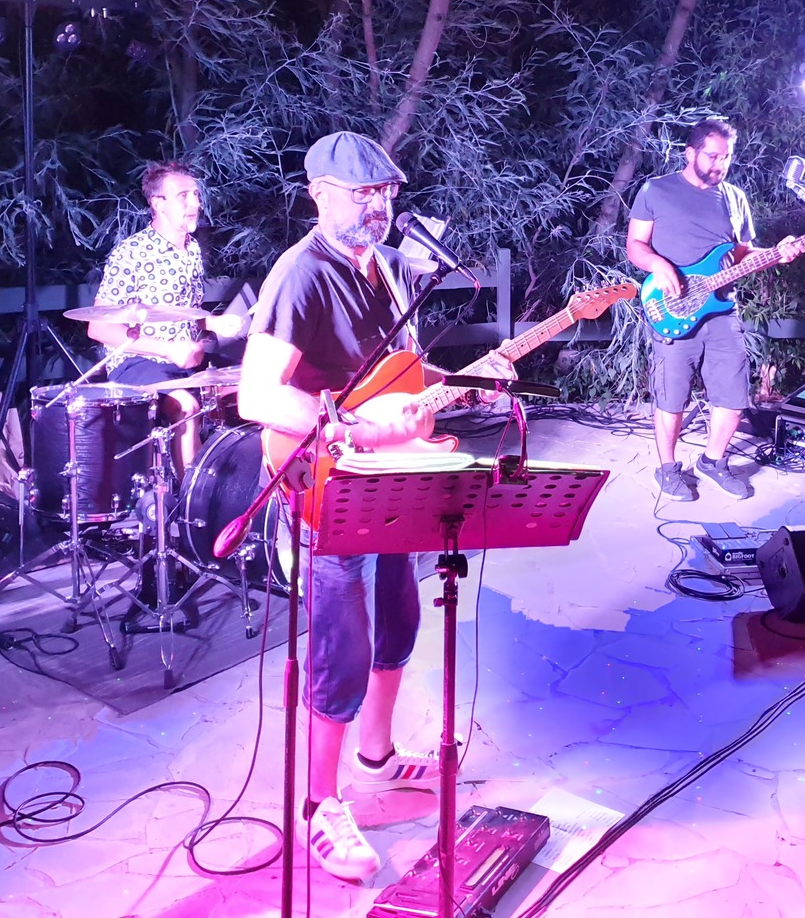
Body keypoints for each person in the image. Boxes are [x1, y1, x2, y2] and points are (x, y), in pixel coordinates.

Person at [236, 130, 510, 882]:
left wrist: (451, 393)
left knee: (399, 617)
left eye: (386, 191)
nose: (379, 205)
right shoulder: (301, 274)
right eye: (363, 192)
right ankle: (320, 803)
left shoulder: (389, 269)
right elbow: (257, 395)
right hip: (326, 478)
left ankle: (377, 756)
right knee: (343, 644)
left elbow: (396, 381)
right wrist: (354, 428)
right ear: (319, 195)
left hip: (390, 476)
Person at [625, 117, 803, 502]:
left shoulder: (734, 198)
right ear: (690, 153)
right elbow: (635, 245)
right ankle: (667, 470)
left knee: (734, 396)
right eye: (712, 156)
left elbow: (741, 254)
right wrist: (659, 265)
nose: (720, 164)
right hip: (672, 305)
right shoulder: (656, 190)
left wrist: (777, 254)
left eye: (726, 157)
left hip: (723, 309)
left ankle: (713, 461)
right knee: (671, 396)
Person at [87, 162, 242, 467]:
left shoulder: (192, 249)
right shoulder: (132, 252)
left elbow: (180, 311)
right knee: (186, 406)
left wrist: (212, 322)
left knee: (253, 383)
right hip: (138, 361)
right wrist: (168, 349)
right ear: (158, 203)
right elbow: (98, 328)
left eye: (196, 195)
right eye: (184, 196)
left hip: (186, 361)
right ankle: (191, 497)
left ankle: (239, 483)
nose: (195, 203)